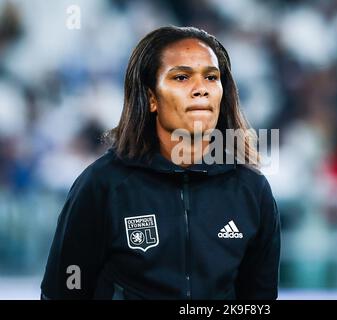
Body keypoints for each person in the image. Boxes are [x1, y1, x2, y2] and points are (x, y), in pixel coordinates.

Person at [41, 26, 280, 300]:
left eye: (211, 77)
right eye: (181, 77)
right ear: (151, 98)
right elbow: (61, 293)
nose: (200, 89)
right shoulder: (102, 185)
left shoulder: (252, 190)